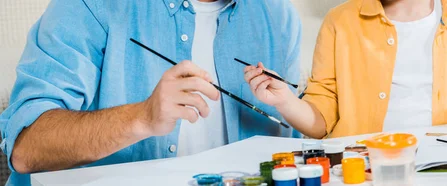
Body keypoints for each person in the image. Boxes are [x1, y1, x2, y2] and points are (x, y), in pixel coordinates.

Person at [0, 0, 301, 185]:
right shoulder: (92, 5)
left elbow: (298, 144)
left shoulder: (278, 15)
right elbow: (26, 149)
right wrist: (141, 118)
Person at [244, 0, 447, 139]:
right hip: (360, 168)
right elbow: (321, 119)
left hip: (441, 164)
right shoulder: (340, 22)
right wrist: (286, 101)